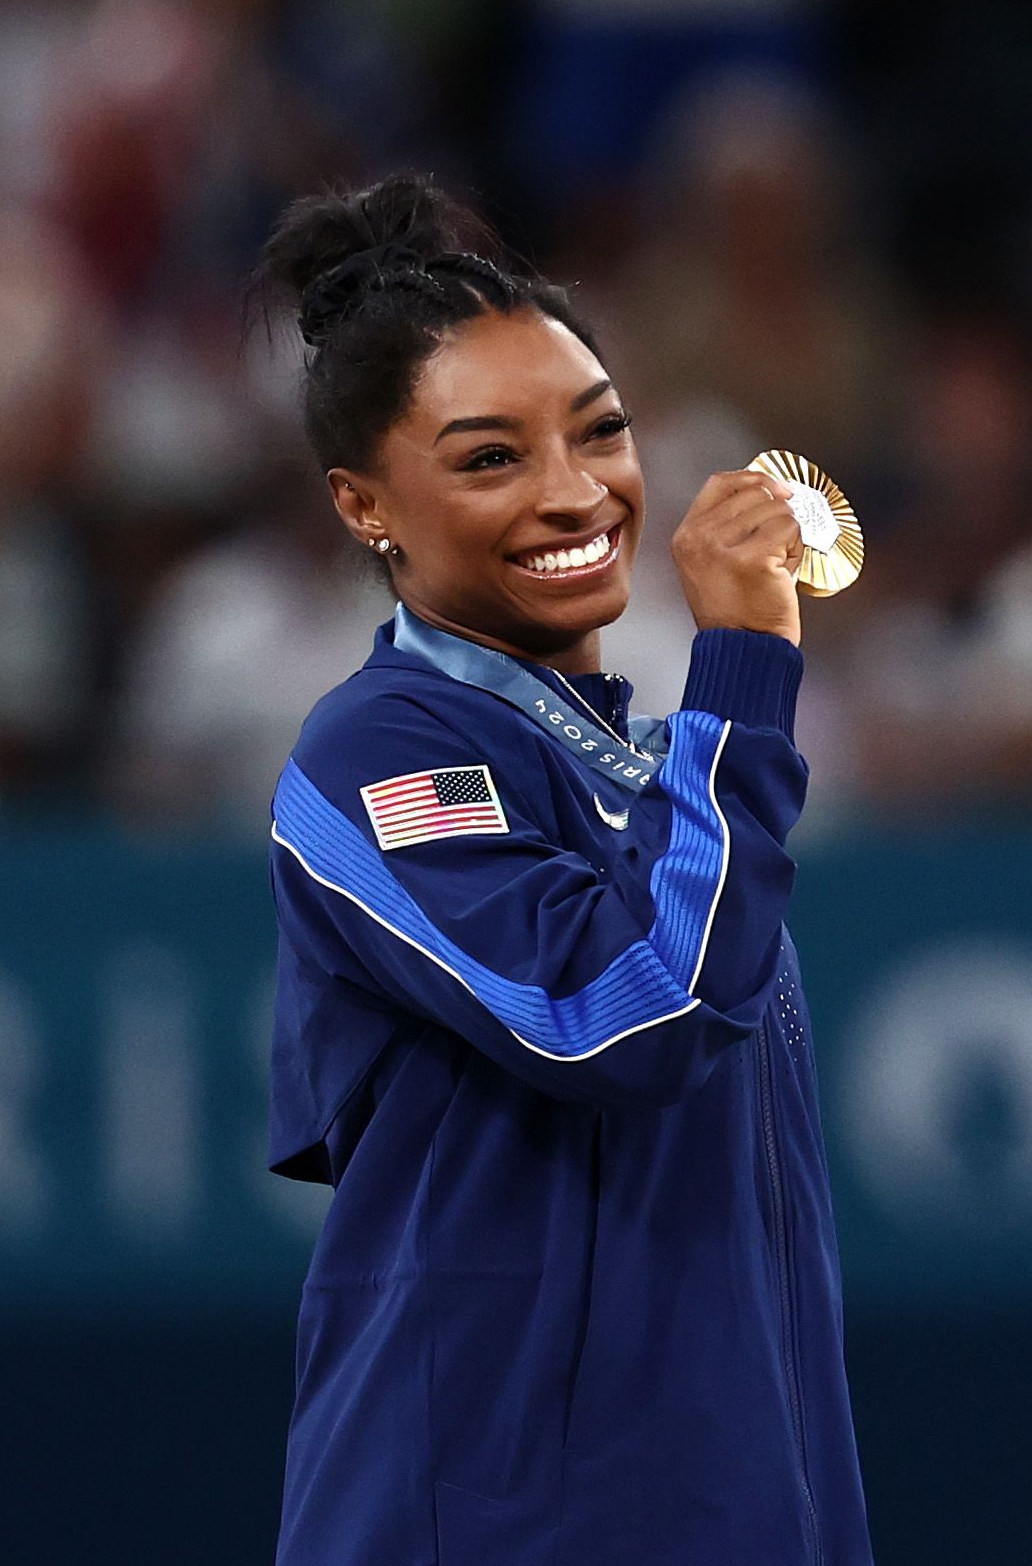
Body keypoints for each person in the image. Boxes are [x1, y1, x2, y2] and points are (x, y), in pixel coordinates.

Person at [257, 176, 870, 1563]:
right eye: (489, 460)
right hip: (493, 1523)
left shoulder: (660, 779)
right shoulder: (382, 745)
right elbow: (627, 1015)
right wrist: (741, 678)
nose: (574, 492)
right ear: (365, 506)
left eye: (601, 433)